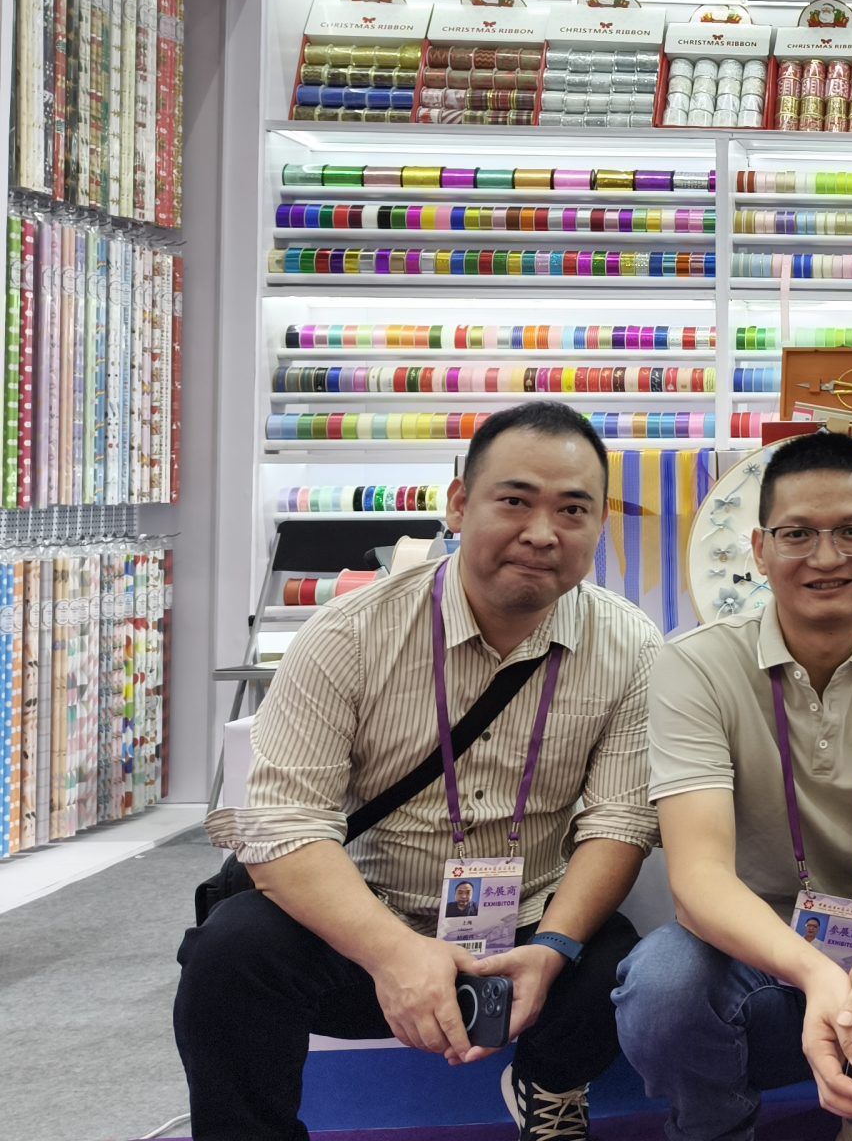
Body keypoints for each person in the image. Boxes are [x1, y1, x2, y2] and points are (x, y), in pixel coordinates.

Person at [181, 402, 660, 1141]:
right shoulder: (348, 634)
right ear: (459, 504)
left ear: (599, 527)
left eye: (573, 509)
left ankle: (551, 1088)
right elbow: (282, 826)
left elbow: (619, 822)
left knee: (620, 965)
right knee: (232, 955)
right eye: (514, 500)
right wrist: (394, 953)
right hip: (365, 928)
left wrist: (553, 947)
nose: (542, 532)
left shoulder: (630, 645)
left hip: (527, 930)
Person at [613, 430, 852, 1140]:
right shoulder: (695, 666)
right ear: (760, 549)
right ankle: (717, 1127)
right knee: (660, 989)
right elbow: (698, 875)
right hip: (744, 941)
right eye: (798, 534)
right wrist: (815, 972)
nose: (826, 557)